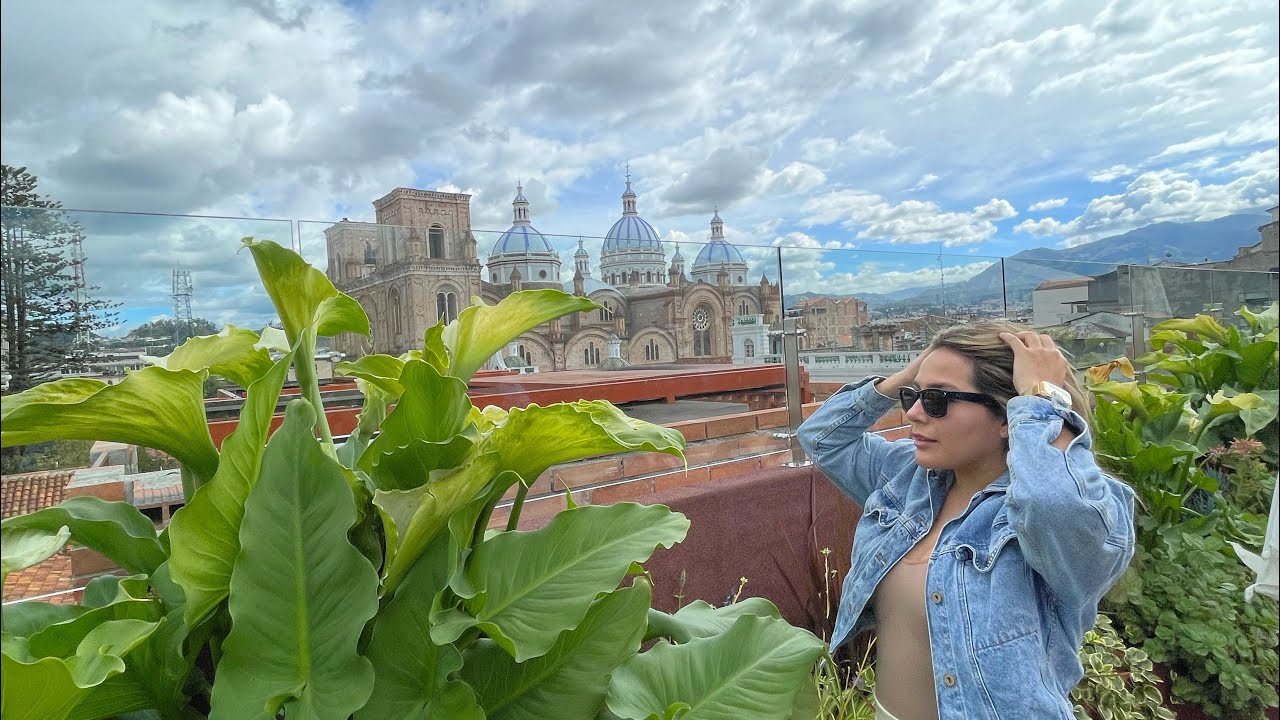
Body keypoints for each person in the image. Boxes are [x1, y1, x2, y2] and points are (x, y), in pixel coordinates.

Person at [797, 321, 1135, 720]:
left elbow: (1051, 499)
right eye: (913, 396)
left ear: (1007, 416)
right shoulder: (909, 479)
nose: (914, 413)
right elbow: (821, 437)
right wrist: (907, 376)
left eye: (937, 399)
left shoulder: (1055, 517)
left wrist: (1042, 397)